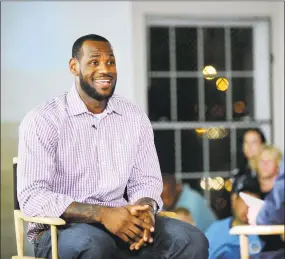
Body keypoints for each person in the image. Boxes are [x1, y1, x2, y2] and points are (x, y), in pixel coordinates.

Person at [17, 34, 208, 259]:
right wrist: (101, 214)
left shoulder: (134, 117)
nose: (105, 69)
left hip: (122, 222)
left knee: (191, 240)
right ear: (74, 67)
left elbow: (146, 181)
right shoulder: (43, 119)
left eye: (111, 62)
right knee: (92, 244)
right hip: (61, 229)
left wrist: (145, 210)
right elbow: (32, 197)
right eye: (94, 62)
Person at [205, 174, 264, 259]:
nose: (248, 206)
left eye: (254, 201)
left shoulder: (264, 232)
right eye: (245, 200)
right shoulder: (215, 230)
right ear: (234, 200)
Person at [246, 145, 284, 258]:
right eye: (262, 161)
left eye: (269, 161)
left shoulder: (280, 194)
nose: (264, 164)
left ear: (278, 166)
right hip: (255, 244)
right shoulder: (251, 190)